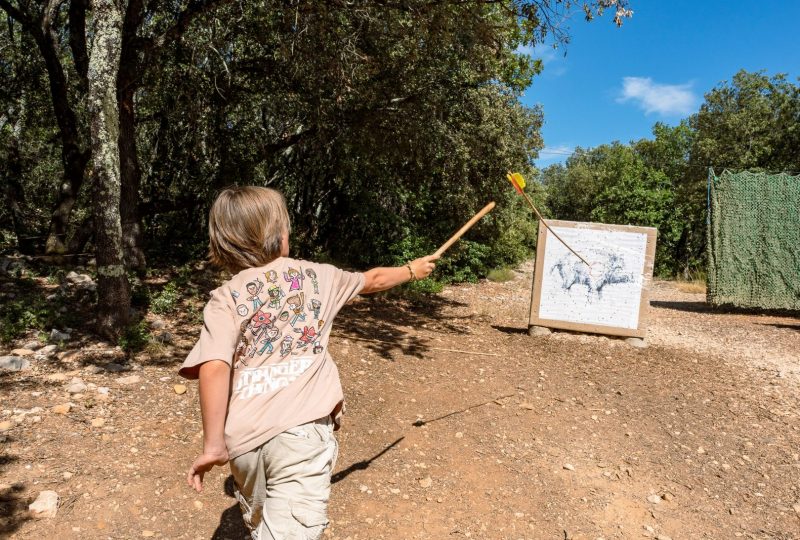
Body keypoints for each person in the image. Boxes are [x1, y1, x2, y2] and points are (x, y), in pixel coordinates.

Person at [179, 186, 438, 539]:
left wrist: (213, 445)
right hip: (303, 434)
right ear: (280, 235)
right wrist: (412, 269)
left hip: (242, 441)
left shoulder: (225, 297)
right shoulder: (319, 277)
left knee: (263, 526)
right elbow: (374, 280)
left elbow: (214, 365)